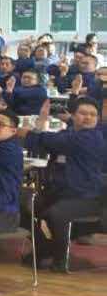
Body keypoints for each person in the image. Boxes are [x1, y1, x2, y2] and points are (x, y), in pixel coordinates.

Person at [20, 98, 106, 271]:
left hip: (85, 196)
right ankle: (44, 247)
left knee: (55, 214)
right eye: (83, 113)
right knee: (19, 203)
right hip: (60, 192)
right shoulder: (69, 133)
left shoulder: (90, 137)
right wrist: (40, 124)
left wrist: (29, 132)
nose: (88, 118)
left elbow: (46, 141)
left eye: (93, 115)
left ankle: (58, 259)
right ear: (73, 116)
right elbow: (43, 145)